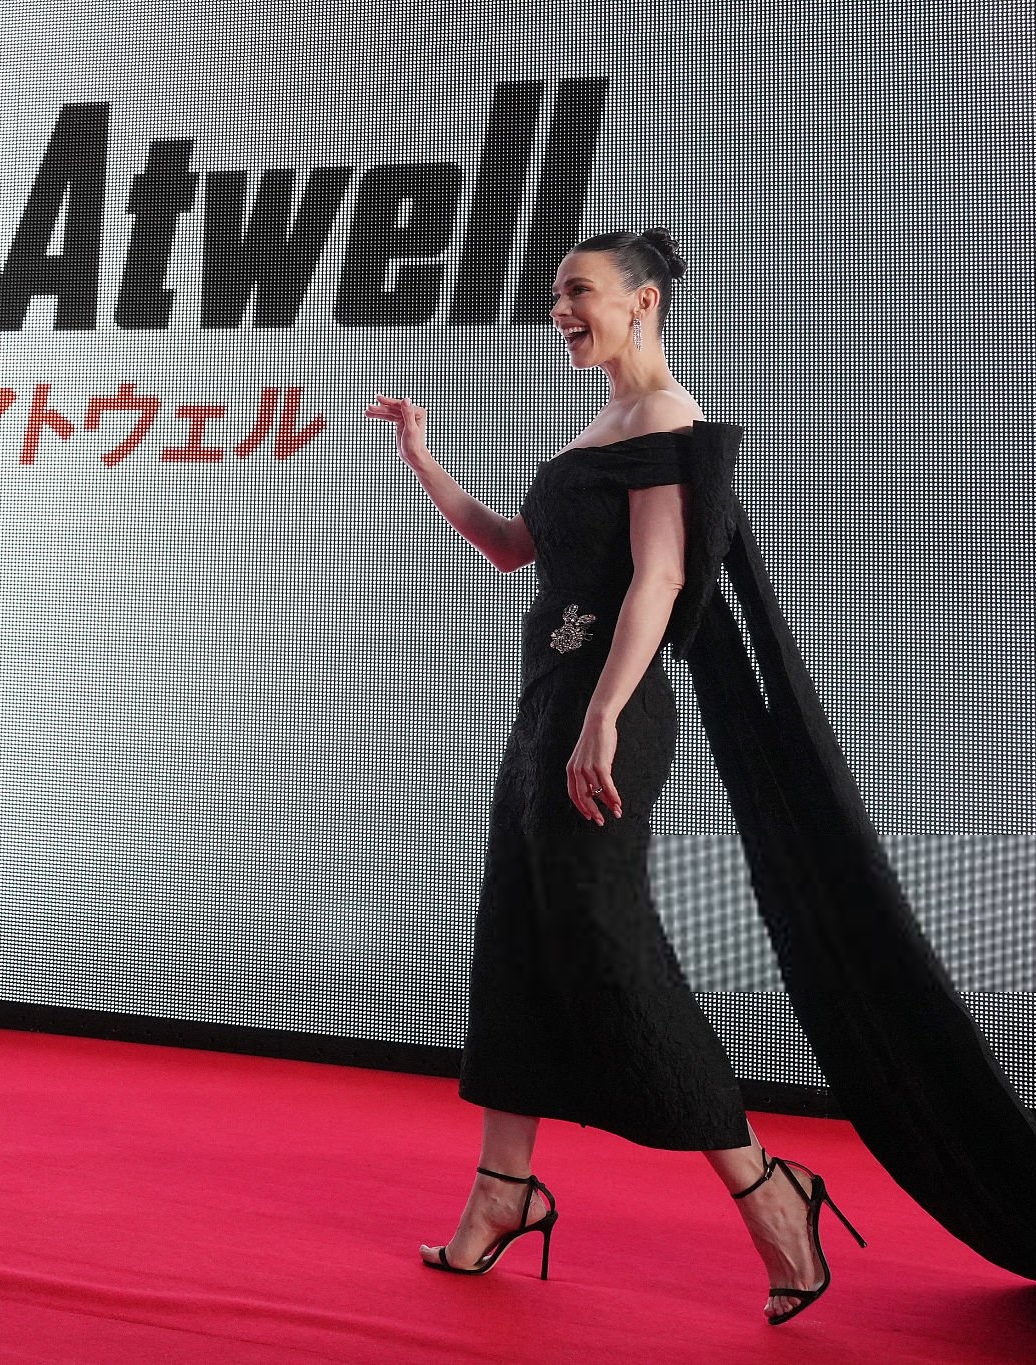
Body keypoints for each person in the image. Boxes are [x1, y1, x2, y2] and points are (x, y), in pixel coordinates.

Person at [365, 227, 862, 1326]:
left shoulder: (666, 418)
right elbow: (512, 548)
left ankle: (768, 1186)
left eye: (577, 291)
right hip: (549, 710)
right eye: (554, 294)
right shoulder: (600, 421)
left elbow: (660, 578)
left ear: (642, 302)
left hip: (608, 713)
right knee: (516, 931)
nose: (560, 311)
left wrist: (600, 716)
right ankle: (502, 1189)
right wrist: (421, 457)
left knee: (607, 948)